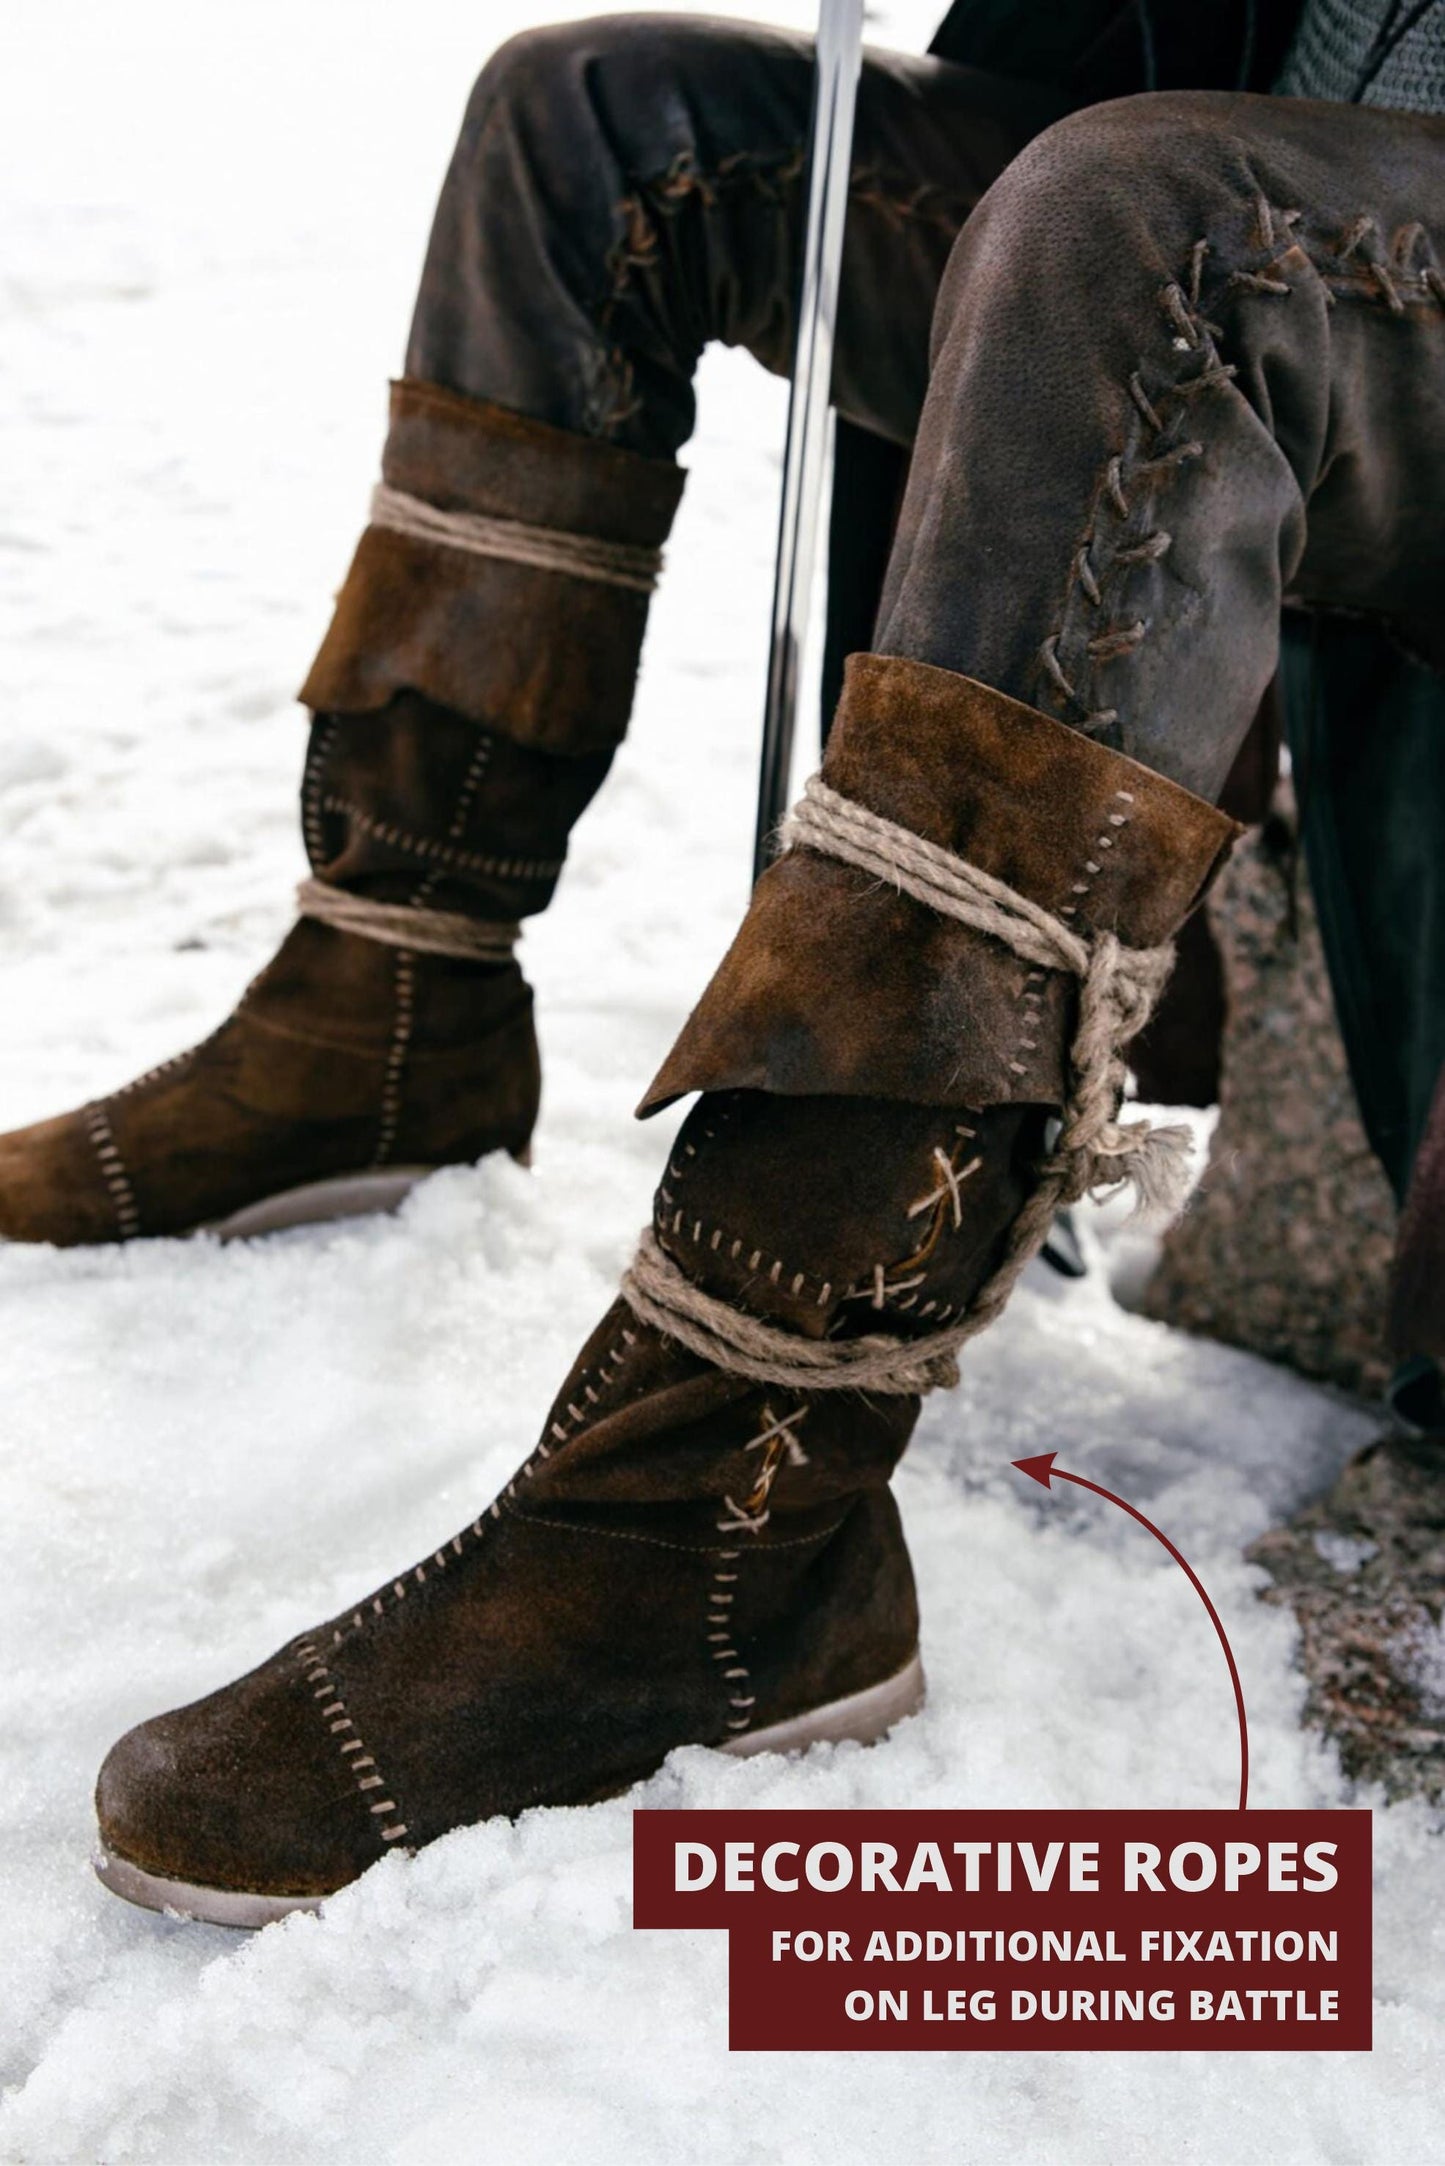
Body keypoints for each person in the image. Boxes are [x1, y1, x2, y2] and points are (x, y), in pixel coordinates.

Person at [28, 0, 1438, 1921]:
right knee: (604, 124)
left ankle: (725, 1497)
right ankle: (385, 1006)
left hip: (1299, 221)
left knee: (1155, 228)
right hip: (1243, 129)